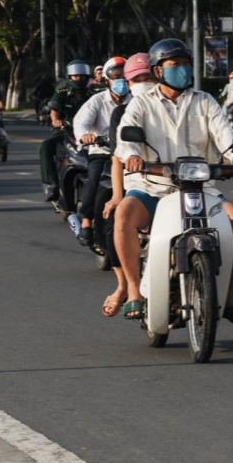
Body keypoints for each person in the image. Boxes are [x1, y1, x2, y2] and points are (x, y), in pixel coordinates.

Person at [112, 39, 233, 325]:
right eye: (174, 65)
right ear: (158, 70)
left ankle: (228, 297)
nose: (182, 70)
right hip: (152, 187)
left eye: (186, 65)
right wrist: (132, 156)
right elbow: (125, 137)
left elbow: (225, 134)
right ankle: (132, 291)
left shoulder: (204, 100)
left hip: (200, 188)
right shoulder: (142, 102)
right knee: (124, 215)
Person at [98, 54, 156, 317]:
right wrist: (117, 196)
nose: (144, 83)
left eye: (149, 78)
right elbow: (117, 158)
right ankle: (123, 286)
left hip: (181, 184)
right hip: (140, 185)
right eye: (137, 79)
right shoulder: (124, 112)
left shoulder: (184, 104)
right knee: (111, 216)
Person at [71, 56, 129, 247]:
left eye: (124, 75)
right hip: (102, 152)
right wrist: (86, 135)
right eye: (115, 75)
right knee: (93, 178)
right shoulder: (97, 101)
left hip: (130, 153)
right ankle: (86, 221)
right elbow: (81, 122)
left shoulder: (137, 100)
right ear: (106, 79)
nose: (120, 80)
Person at [40, 60, 93, 201]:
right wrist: (56, 120)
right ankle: (52, 184)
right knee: (46, 146)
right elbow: (54, 109)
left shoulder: (92, 93)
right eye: (76, 76)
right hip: (66, 131)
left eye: (82, 76)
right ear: (70, 77)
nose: (79, 79)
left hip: (89, 133)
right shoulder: (62, 92)